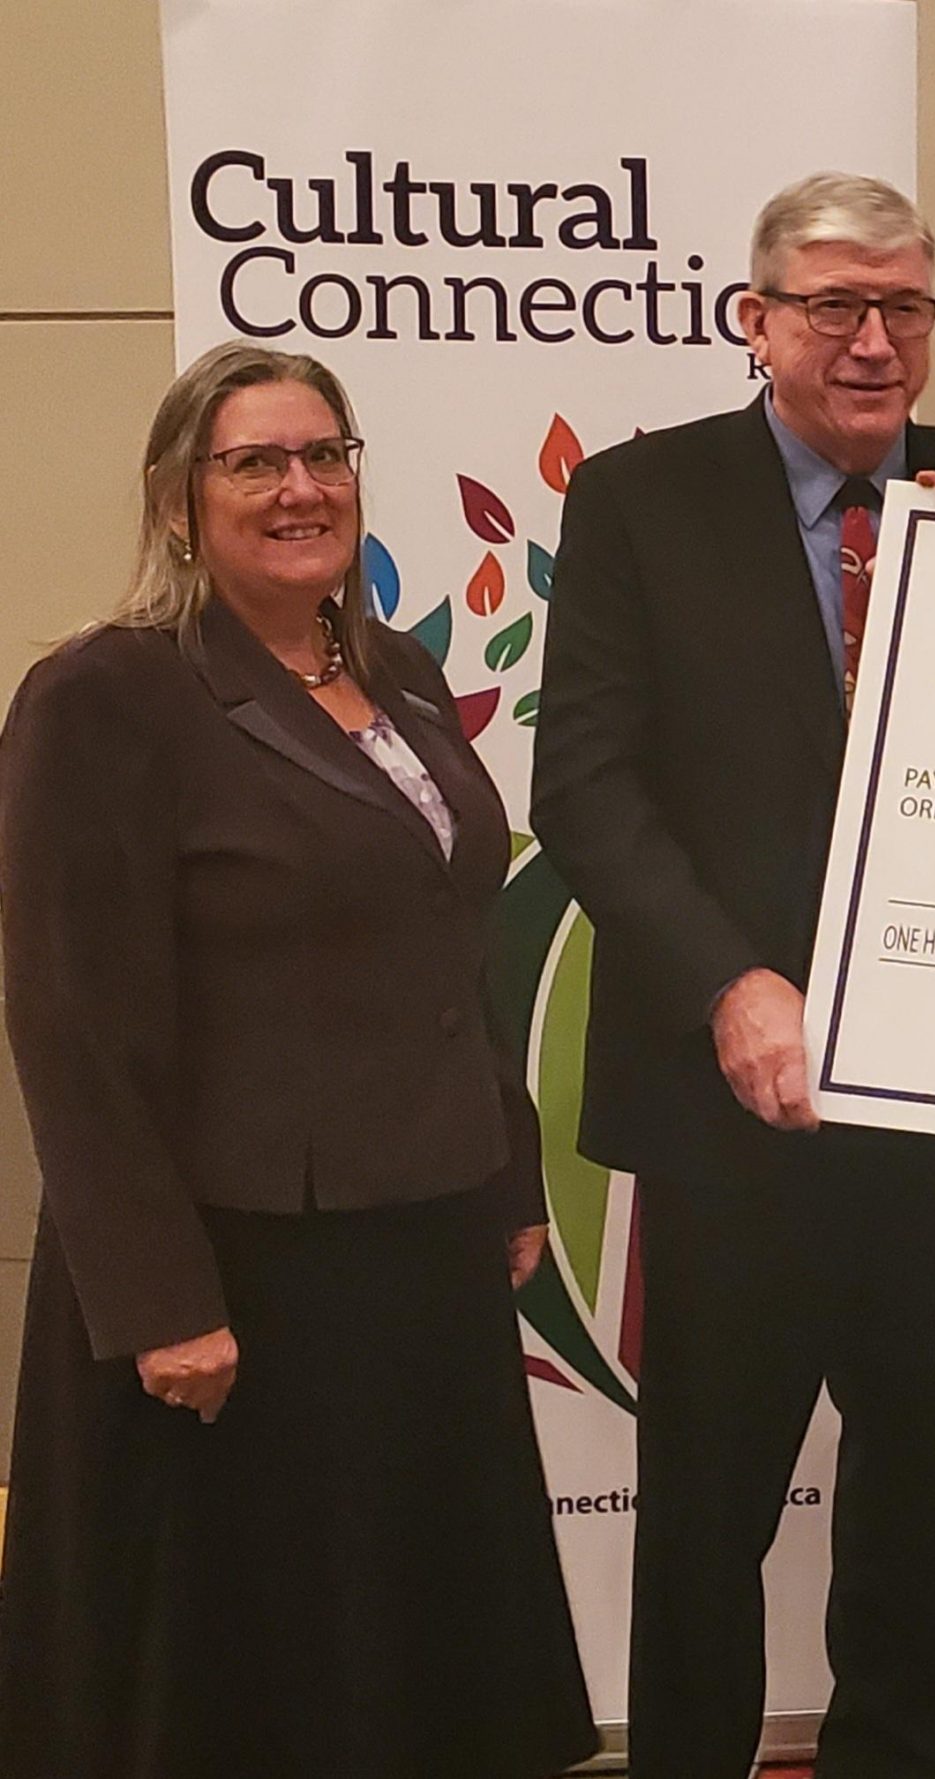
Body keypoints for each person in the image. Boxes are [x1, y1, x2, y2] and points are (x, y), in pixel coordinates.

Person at [532, 172, 935, 1779]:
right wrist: (731, 987)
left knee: (916, 1483)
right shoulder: (641, 502)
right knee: (711, 1494)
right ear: (754, 323)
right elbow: (590, 792)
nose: (873, 340)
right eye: (834, 305)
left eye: (904, 305)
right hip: (730, 1097)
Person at [0, 341, 596, 1778]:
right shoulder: (105, 695)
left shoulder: (388, 671)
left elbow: (445, 950)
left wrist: (507, 1177)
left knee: (402, 1667)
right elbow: (70, 1021)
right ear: (177, 498)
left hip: (411, 1251)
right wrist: (159, 1304)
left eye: (325, 456)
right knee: (242, 1687)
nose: (301, 489)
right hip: (227, 1277)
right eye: (256, 461)